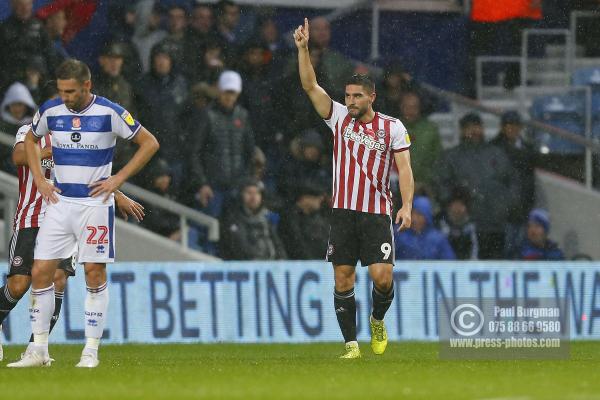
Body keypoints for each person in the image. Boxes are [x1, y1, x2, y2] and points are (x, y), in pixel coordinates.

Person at [7, 59, 159, 368]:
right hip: (59, 205)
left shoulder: (110, 112)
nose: (65, 96)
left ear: (87, 86)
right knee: (39, 273)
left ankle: (90, 351)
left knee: (93, 273)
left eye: (71, 91)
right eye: (62, 90)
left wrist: (118, 180)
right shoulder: (50, 111)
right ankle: (38, 350)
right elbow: (30, 142)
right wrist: (38, 178)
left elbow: (149, 142)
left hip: (94, 207)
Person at [294, 19, 414, 358]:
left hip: (376, 212)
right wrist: (303, 50)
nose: (350, 101)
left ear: (372, 97)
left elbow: (404, 168)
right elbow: (310, 86)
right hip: (343, 212)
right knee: (343, 279)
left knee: (382, 279)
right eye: (347, 95)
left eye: (357, 96)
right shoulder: (338, 118)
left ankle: (377, 319)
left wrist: (405, 206)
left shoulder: (392, 127)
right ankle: (351, 345)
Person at [0, 122, 144, 363]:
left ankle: (37, 349)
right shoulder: (28, 132)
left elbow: (91, 175)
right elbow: (18, 156)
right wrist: (53, 151)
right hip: (30, 218)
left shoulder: (78, 137)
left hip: (65, 220)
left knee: (58, 279)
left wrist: (118, 195)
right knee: (18, 284)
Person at [433, 113, 519, 259]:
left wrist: (506, 205)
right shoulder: (451, 156)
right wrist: (452, 203)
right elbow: (441, 184)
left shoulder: (496, 154)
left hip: (495, 224)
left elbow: (512, 182)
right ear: (461, 130)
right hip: (464, 226)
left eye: (477, 126)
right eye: (469, 127)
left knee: (494, 267)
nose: (474, 131)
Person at [489, 111, 536, 258]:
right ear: (503, 127)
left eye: (516, 125)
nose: (513, 129)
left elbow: (529, 180)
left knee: (520, 250)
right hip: (503, 212)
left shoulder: (528, 148)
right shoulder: (493, 148)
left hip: (523, 208)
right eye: (509, 125)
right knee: (505, 251)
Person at [220, 179, 286, 260]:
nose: (253, 197)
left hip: (271, 267)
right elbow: (240, 247)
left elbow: (277, 244)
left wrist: (281, 260)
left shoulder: (267, 218)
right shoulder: (233, 219)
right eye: (249, 192)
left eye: (257, 193)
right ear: (241, 195)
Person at [398, 91, 442, 188]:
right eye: (407, 107)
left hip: (427, 186)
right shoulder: (391, 128)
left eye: (414, 107)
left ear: (420, 108)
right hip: (395, 187)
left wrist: (425, 182)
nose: (411, 111)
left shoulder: (431, 129)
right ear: (401, 107)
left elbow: (438, 159)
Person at [278, 184, 329, 260]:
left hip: (321, 264)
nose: (320, 199)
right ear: (304, 198)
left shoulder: (317, 217)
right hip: (300, 265)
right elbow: (296, 244)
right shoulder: (289, 217)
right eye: (315, 196)